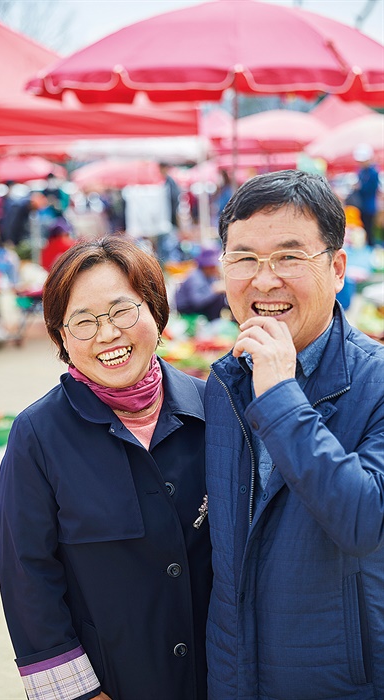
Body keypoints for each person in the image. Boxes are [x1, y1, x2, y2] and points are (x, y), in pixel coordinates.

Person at [0, 236, 212, 700]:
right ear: (60, 338)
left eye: (121, 312)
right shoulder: (38, 435)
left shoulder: (212, 409)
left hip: (218, 676)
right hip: (113, 683)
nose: (107, 334)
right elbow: (27, 577)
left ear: (155, 312)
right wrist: (80, 694)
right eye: (84, 322)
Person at [205, 170, 384, 699]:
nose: (264, 281)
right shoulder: (224, 381)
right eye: (244, 259)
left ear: (337, 270)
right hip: (237, 677)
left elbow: (362, 521)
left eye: (288, 256)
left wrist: (281, 392)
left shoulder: (376, 381)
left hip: (341, 680)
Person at [175, 247, 229, 321]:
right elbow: (196, 301)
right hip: (188, 310)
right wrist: (214, 290)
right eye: (212, 266)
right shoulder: (195, 277)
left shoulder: (210, 275)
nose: (214, 269)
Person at [353, 143, 380, 247]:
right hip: (361, 205)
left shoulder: (373, 172)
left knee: (369, 231)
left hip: (369, 207)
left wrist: (360, 186)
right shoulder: (361, 171)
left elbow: (372, 188)